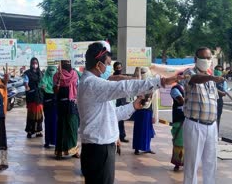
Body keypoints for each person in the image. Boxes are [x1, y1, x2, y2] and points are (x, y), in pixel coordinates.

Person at [77, 42, 183, 184]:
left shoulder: (93, 84)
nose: (108, 68)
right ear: (98, 65)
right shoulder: (92, 84)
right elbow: (124, 87)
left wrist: (133, 106)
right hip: (98, 149)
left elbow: (111, 114)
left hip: (100, 147)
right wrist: (162, 81)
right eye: (107, 64)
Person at [182, 47, 224, 184]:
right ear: (195, 59)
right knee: (192, 164)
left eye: (209, 58)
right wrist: (212, 77)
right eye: (203, 58)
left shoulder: (211, 77)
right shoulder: (190, 72)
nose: (206, 61)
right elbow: (195, 79)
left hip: (211, 126)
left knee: (211, 163)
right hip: (195, 124)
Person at [53, 60, 80, 159]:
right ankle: (59, 151)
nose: (67, 63)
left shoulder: (75, 74)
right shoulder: (56, 75)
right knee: (61, 127)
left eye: (69, 61)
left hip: (72, 103)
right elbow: (55, 91)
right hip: (61, 103)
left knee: (73, 126)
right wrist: (58, 82)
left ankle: (74, 150)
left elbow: (78, 87)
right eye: (65, 61)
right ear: (61, 63)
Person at [133, 67, 156, 155]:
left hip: (148, 111)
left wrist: (154, 115)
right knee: (139, 130)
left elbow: (153, 101)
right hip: (140, 110)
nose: (143, 74)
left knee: (148, 130)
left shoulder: (151, 84)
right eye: (141, 72)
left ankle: (147, 147)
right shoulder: (138, 84)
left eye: (144, 72)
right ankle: (137, 148)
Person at [23, 57, 44, 138]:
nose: (35, 64)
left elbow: (43, 82)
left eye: (36, 63)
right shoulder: (27, 73)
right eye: (33, 63)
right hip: (31, 96)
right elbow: (25, 82)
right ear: (31, 64)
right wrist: (27, 86)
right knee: (31, 115)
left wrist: (44, 87)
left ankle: (38, 131)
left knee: (39, 115)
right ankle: (30, 131)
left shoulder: (41, 73)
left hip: (39, 96)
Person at [170, 76, 185, 171]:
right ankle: (177, 163)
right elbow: (181, 101)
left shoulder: (187, 88)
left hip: (187, 118)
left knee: (188, 141)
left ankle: (186, 161)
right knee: (179, 141)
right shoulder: (175, 89)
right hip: (179, 118)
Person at [41, 66, 58, 148]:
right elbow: (42, 85)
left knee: (55, 122)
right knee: (47, 122)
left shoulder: (58, 77)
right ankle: (47, 141)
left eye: (53, 70)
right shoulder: (45, 77)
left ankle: (55, 141)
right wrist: (43, 87)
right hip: (47, 102)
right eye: (50, 70)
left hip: (55, 102)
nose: (52, 72)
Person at [113, 61, 129, 143]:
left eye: (120, 68)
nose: (119, 69)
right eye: (117, 68)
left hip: (121, 100)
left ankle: (122, 136)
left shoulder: (123, 77)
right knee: (114, 119)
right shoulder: (112, 77)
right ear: (114, 69)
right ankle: (115, 137)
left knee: (121, 118)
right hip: (114, 100)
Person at [214, 65, 228, 133]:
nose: (218, 71)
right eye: (217, 70)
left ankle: (216, 134)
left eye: (220, 70)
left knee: (218, 118)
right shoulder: (210, 78)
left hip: (219, 101)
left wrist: (214, 90)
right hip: (211, 100)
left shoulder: (223, 81)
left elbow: (224, 93)